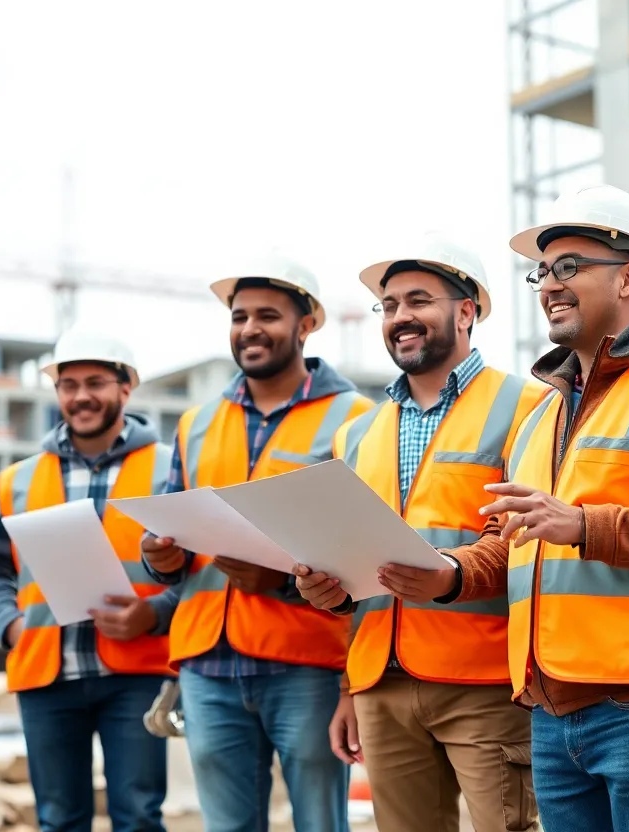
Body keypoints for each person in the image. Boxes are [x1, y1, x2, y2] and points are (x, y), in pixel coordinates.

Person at [397, 186, 629, 831]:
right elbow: (511, 539)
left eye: (569, 267)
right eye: (543, 271)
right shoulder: (542, 410)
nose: (549, 286)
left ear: (628, 276)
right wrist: (447, 575)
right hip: (551, 711)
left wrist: (584, 525)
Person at [292, 232, 548, 832]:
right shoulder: (357, 434)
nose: (400, 318)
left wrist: (452, 574)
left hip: (486, 681)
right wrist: (346, 671)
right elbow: (350, 559)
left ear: (466, 312)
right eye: (389, 306)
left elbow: (530, 539)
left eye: (417, 301)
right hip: (381, 681)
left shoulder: (531, 405)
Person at [139, 252, 375, 832]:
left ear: (307, 324)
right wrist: (159, 557)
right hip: (206, 665)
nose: (249, 328)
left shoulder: (357, 420)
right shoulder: (195, 423)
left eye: (267, 315)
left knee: (320, 822)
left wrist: (283, 586)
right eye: (239, 315)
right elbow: (177, 532)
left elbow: (367, 560)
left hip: (307, 662)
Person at [0, 327, 178, 832]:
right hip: (47, 673)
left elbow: (204, 569)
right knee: (59, 821)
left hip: (139, 671)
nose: (81, 396)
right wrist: (12, 629)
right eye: (69, 384)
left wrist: (156, 612)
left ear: (126, 388)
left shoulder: (171, 469)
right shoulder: (18, 479)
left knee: (139, 818)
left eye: (96, 382)